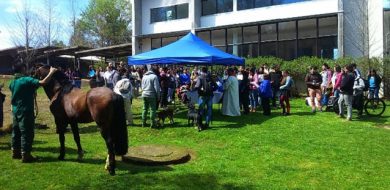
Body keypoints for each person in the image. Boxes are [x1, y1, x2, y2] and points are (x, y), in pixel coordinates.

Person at [9, 63, 57, 162]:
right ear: (22, 69)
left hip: (15, 110)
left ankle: (15, 151)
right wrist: (51, 72)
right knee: (27, 132)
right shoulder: (26, 80)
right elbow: (43, 82)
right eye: (25, 68)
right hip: (25, 111)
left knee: (16, 131)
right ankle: (26, 155)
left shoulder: (12, 82)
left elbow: (24, 89)